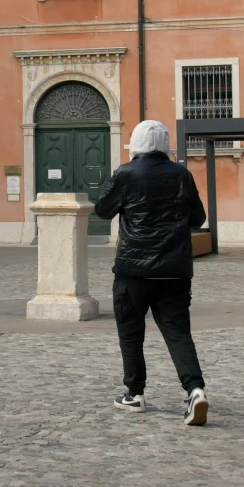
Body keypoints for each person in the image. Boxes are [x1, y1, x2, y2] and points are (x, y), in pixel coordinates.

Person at [90, 118, 210, 425]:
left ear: (137, 145)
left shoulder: (126, 174)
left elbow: (102, 210)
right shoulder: (182, 174)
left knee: (131, 332)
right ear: (165, 144)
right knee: (178, 332)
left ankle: (135, 393)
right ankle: (195, 389)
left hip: (133, 269)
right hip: (174, 270)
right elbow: (197, 217)